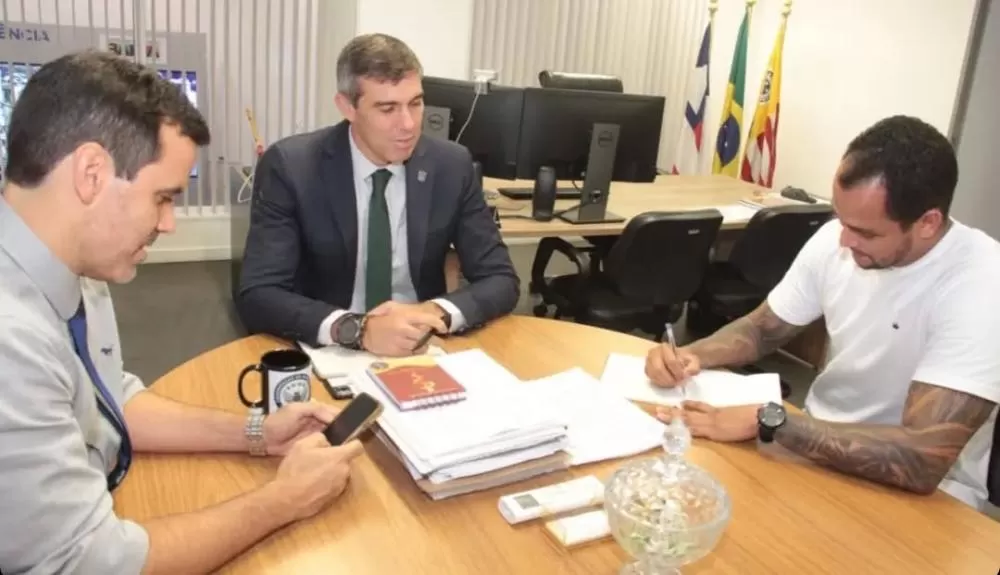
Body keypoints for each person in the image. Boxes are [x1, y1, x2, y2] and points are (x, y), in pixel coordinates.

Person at [0, 51, 363, 575]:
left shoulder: (74, 266)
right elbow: (92, 563)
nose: (169, 223)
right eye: (163, 197)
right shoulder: (11, 340)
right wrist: (284, 500)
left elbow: (108, 400)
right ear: (91, 173)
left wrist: (257, 433)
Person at [646, 115, 1000, 511]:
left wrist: (772, 421)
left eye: (865, 232)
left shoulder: (983, 281)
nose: (845, 241)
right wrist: (690, 355)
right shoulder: (838, 237)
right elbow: (764, 329)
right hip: (811, 447)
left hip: (931, 496)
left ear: (928, 223)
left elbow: (922, 458)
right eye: (841, 220)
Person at [235, 33, 520, 357]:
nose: (409, 124)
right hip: (331, 345)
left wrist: (433, 312)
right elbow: (259, 293)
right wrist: (358, 329)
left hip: (420, 343)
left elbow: (500, 278)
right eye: (388, 109)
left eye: (416, 103)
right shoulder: (292, 167)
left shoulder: (451, 165)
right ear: (347, 107)